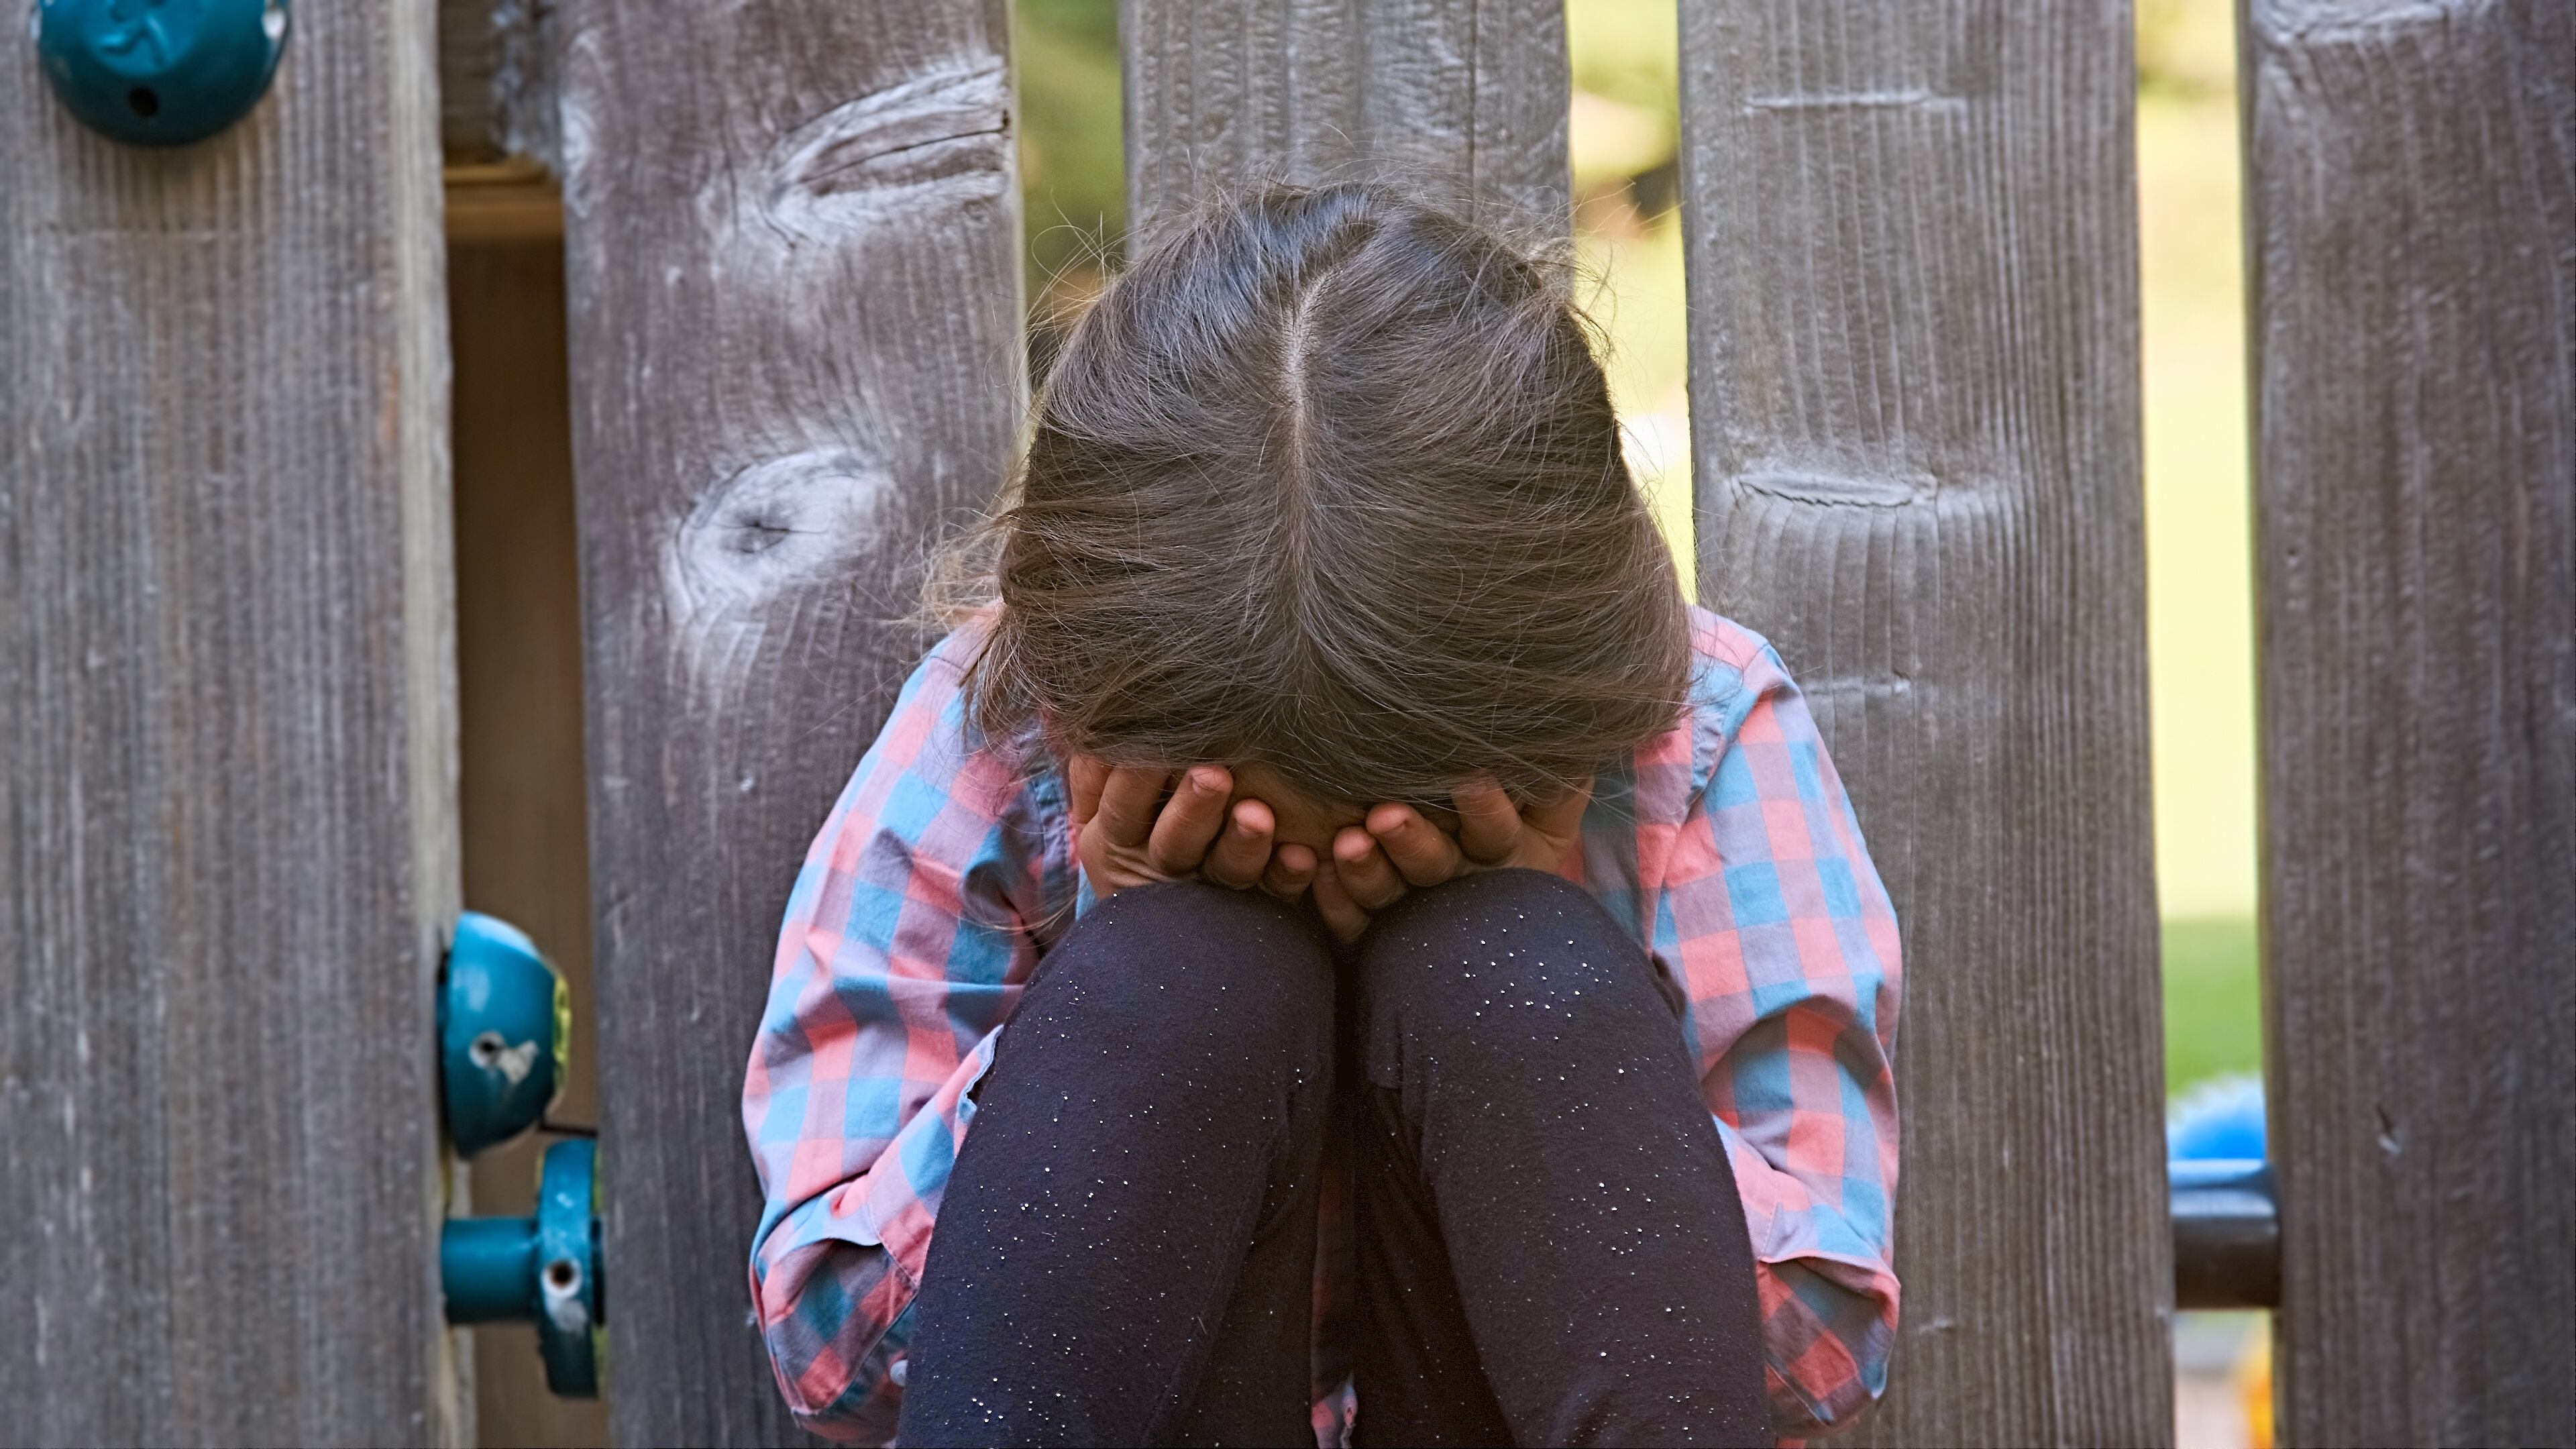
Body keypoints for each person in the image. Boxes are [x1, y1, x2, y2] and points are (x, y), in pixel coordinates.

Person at [742, 182, 1901, 1448]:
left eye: (1382, 839)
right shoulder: (1007, 727)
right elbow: (836, 1351)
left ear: (1554, 719)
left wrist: (1537, 1016)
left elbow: (1823, 1351)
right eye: (1256, 842)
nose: (1322, 892)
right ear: (1087, 699)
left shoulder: (1700, 724)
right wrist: (1115, 1010)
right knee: (1182, 984)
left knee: (1511, 975)